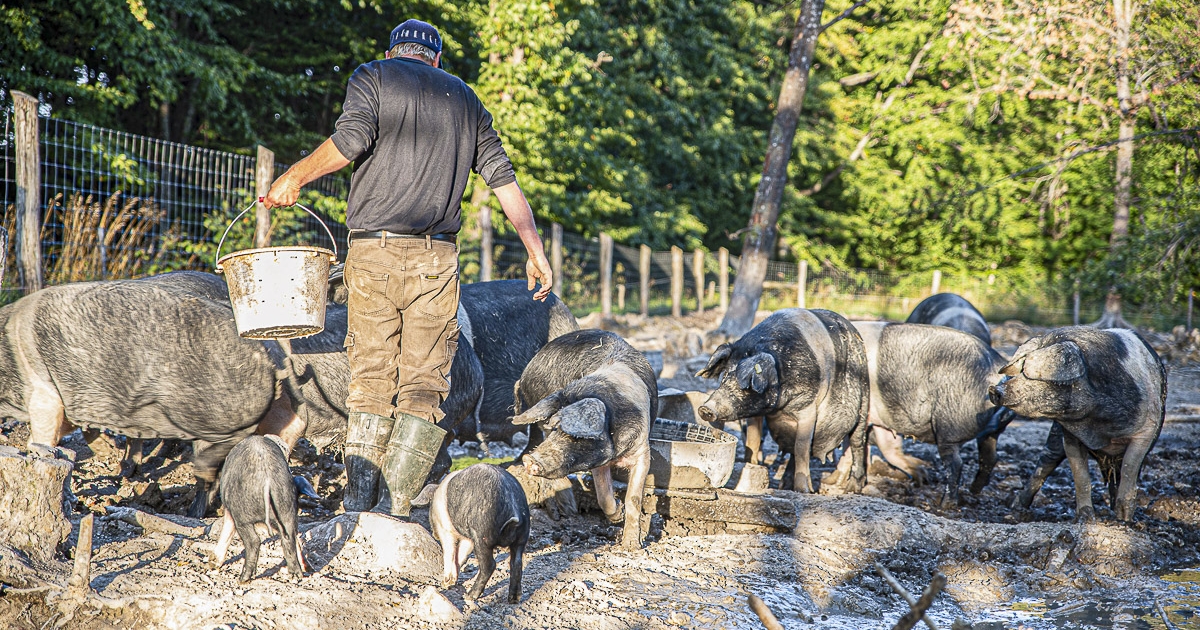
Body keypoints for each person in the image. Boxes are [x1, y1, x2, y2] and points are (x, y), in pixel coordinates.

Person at [263, 18, 553, 517]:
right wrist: (535, 249)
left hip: (373, 253)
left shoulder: (374, 76)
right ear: (435, 59)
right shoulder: (467, 100)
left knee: (371, 378)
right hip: (436, 261)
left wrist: (295, 176)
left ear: (396, 51)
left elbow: (348, 142)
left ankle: (357, 508)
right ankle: (394, 512)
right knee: (424, 386)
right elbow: (505, 183)